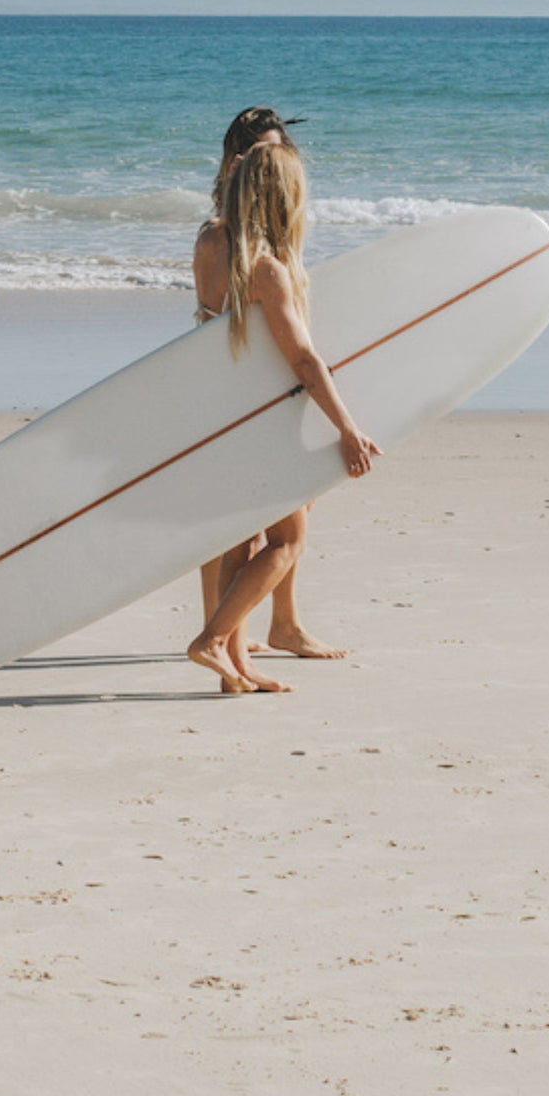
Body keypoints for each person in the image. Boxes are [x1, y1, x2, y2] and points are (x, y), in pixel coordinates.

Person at [188, 139, 380, 693]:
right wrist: (347, 428)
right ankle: (211, 640)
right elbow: (301, 358)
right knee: (287, 540)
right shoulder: (267, 270)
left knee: (242, 542)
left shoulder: (211, 247)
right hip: (261, 421)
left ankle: (236, 670)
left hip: (222, 413)